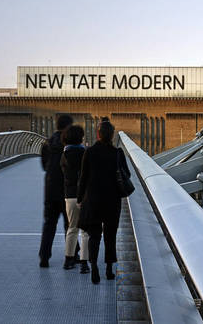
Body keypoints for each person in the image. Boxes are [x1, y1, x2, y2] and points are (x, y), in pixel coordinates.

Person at [77, 118, 129, 284]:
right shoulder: (117, 154)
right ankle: (108, 269)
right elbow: (126, 174)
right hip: (112, 201)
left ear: (98, 135)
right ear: (112, 135)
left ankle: (94, 267)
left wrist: (80, 199)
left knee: (94, 236)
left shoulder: (89, 152)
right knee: (110, 235)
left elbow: (83, 178)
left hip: (93, 200)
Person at [38, 114, 73, 268]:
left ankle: (44, 256)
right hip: (67, 189)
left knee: (49, 224)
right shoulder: (70, 145)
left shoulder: (47, 143)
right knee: (69, 224)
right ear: (67, 127)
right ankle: (71, 255)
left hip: (51, 188)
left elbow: (44, 166)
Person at [60, 124, 89, 272]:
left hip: (69, 195)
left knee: (72, 228)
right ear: (80, 138)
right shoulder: (85, 154)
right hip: (84, 195)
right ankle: (84, 263)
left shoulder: (64, 155)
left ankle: (68, 260)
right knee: (85, 230)